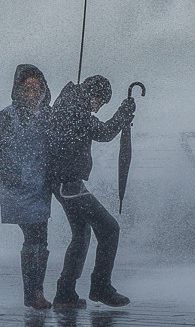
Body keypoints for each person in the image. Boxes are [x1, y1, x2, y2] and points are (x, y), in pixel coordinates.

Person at [46, 75, 136, 308]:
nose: (97, 107)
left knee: (81, 234)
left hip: (64, 182)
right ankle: (100, 286)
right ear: (91, 94)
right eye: (99, 102)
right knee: (109, 229)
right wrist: (122, 114)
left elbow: (96, 130)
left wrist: (120, 116)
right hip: (68, 184)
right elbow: (104, 133)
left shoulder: (68, 103)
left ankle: (65, 293)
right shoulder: (73, 109)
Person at [0, 64, 54, 309]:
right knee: (34, 236)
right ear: (18, 90)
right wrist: (10, 176)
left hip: (41, 187)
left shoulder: (47, 115)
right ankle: (33, 293)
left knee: (40, 239)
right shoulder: (7, 115)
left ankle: (35, 292)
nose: (33, 94)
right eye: (27, 89)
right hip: (18, 188)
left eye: (38, 88)